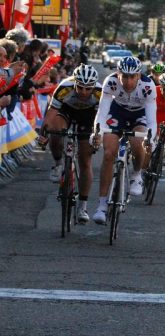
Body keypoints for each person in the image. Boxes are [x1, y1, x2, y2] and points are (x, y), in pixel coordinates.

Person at [91, 56, 158, 224]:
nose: (128, 82)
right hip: (117, 112)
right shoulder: (111, 82)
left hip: (139, 115)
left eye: (132, 77)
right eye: (125, 77)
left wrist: (150, 137)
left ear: (138, 76)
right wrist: (97, 132)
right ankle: (101, 206)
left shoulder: (148, 86)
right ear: (118, 74)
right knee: (108, 154)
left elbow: (151, 120)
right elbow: (102, 112)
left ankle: (136, 175)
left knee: (138, 142)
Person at [44, 64, 102, 223]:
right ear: (75, 83)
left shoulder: (100, 92)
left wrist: (97, 136)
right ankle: (57, 164)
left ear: (93, 86)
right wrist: (45, 132)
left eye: (87, 88)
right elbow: (51, 113)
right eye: (80, 87)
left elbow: (100, 120)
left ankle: (82, 207)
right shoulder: (65, 87)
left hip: (89, 116)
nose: (83, 92)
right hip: (67, 111)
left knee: (85, 160)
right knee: (55, 131)